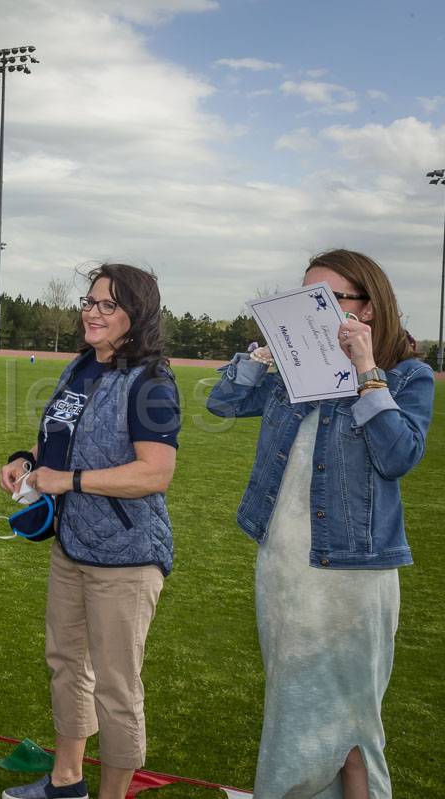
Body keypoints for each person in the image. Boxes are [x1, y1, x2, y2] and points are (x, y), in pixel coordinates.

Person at [207, 249, 434, 799]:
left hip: (353, 570)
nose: (312, 311)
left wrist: (365, 373)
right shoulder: (291, 371)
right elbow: (223, 402)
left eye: (327, 299)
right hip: (284, 562)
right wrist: (260, 354)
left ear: (369, 308)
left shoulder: (407, 376)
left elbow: (399, 456)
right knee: (292, 698)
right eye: (304, 298)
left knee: (354, 713)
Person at [0, 264, 180, 799]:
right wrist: (25, 459)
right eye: (89, 301)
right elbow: (62, 439)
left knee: (117, 687)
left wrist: (69, 480)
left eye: (106, 305)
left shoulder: (152, 382)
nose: (91, 312)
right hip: (73, 546)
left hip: (126, 558)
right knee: (65, 665)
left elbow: (155, 472)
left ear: (135, 316)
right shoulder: (82, 365)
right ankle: (66, 781)